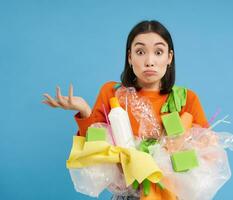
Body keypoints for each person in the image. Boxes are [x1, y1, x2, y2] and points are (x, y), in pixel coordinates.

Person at [42, 20, 209, 200]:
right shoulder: (112, 94)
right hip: (128, 195)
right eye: (140, 52)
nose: (149, 61)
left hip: (171, 195)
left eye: (158, 52)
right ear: (130, 57)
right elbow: (94, 145)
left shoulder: (187, 99)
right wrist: (84, 109)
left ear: (169, 58)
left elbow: (206, 153)